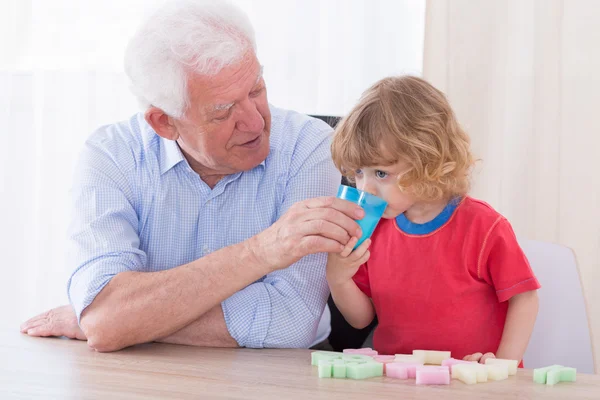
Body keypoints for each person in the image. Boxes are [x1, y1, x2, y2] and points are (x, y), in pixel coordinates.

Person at [20, 0, 364, 352]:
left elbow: (292, 323)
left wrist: (129, 322)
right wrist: (262, 251)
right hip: (140, 374)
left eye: (255, 90)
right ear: (164, 122)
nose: (256, 122)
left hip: (277, 375)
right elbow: (107, 319)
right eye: (223, 111)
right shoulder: (111, 155)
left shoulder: (310, 146)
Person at [327, 75, 540, 364]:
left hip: (471, 383)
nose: (365, 189)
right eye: (358, 173)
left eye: (380, 173)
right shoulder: (373, 230)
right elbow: (361, 319)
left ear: (428, 161)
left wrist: (504, 365)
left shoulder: (484, 227)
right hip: (396, 382)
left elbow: (524, 298)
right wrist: (338, 278)